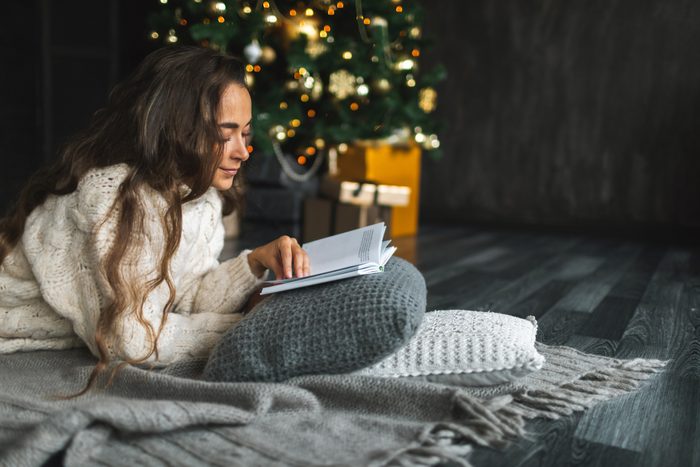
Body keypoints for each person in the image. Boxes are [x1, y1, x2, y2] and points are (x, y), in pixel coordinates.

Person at [0, 45, 309, 390]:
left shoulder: (201, 197)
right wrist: (242, 326)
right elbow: (130, 342)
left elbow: (187, 298)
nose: (242, 151)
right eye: (224, 135)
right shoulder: (114, 198)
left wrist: (253, 262)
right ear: (179, 131)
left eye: (245, 133)